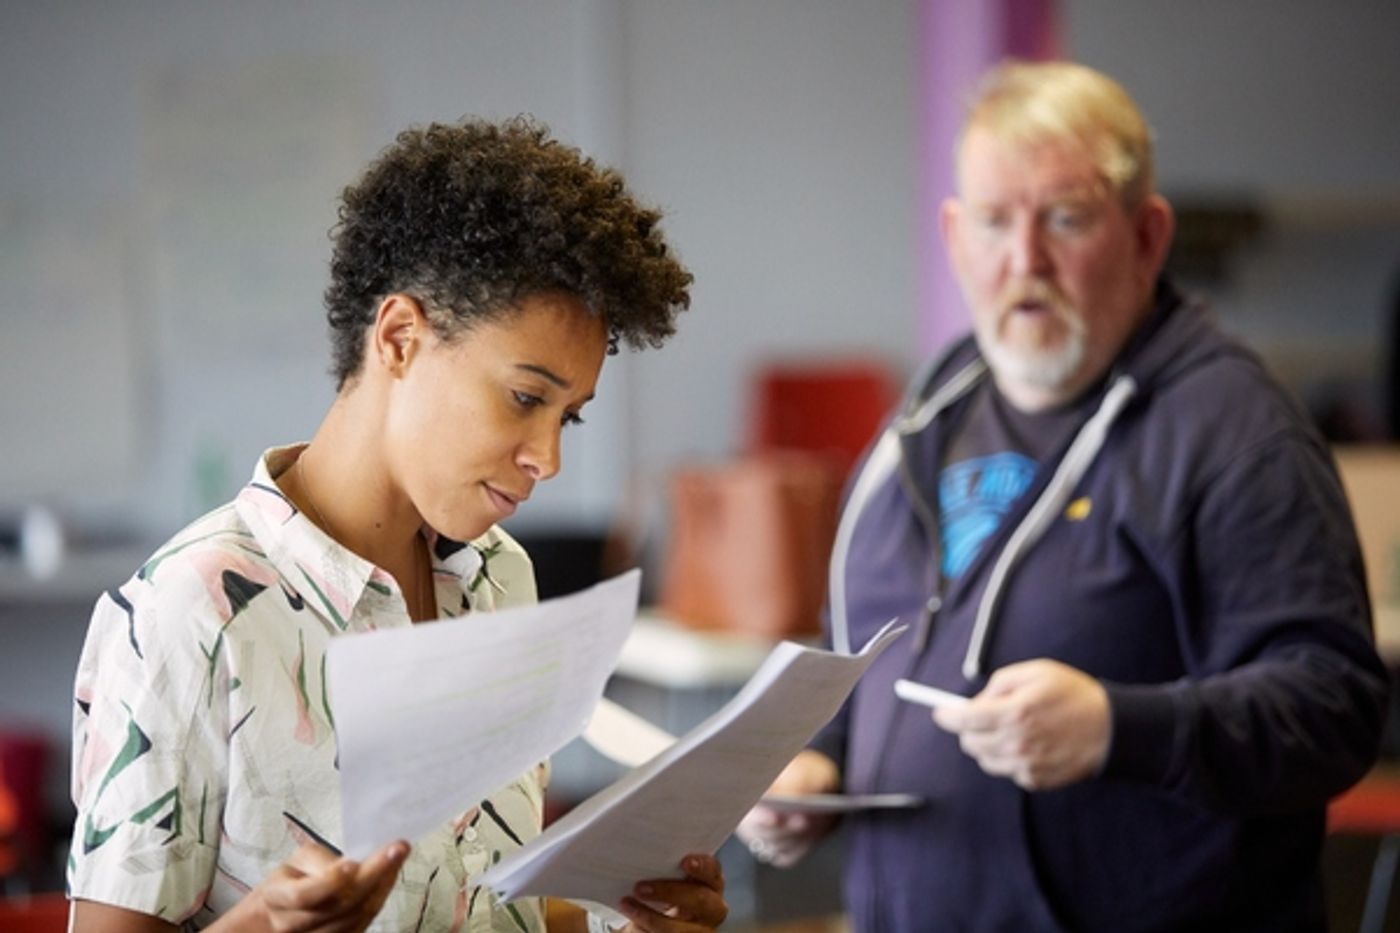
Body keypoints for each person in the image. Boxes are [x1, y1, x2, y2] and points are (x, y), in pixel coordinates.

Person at [739, 60, 1389, 932]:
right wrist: (815, 764)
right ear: (955, 235)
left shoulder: (1236, 432)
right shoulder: (938, 403)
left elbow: (1334, 706)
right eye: (996, 221)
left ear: (1148, 236)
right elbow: (870, 644)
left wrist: (1122, 727)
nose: (1025, 258)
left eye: (1067, 219)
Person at [68, 118, 728, 933]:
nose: (548, 457)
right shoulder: (187, 613)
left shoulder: (500, 578)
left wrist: (622, 918)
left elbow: (477, 905)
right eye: (526, 398)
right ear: (399, 337)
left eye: (571, 417)